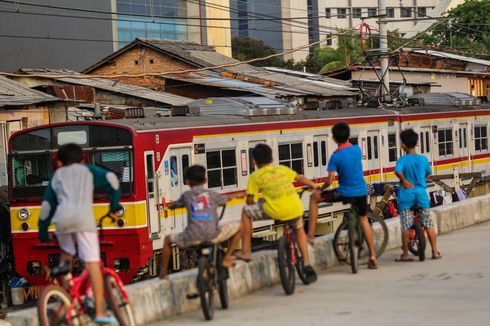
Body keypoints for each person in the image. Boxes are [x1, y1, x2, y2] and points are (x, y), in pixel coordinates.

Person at [38, 143, 122, 325]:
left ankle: (68, 300)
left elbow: (47, 206)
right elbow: (113, 181)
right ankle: (99, 312)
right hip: (84, 222)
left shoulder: (56, 176)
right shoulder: (88, 170)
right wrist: (114, 206)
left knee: (66, 258)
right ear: (83, 158)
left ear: (59, 162)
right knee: (92, 265)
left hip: (61, 223)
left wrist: (43, 231)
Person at [234, 143, 318, 283]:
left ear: (254, 161)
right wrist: (314, 185)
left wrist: (258, 201)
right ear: (272, 158)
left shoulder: (255, 176)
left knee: (246, 212)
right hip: (294, 207)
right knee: (298, 229)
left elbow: (249, 201)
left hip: (274, 210)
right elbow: (300, 178)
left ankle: (246, 251)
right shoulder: (281, 169)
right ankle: (306, 263)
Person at [309, 122, 378, 269]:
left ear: (334, 138)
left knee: (314, 199)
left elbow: (330, 181)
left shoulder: (335, 156)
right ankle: (372, 255)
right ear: (349, 135)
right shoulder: (357, 149)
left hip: (344, 193)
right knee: (363, 219)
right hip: (361, 191)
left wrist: (320, 189)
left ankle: (310, 235)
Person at [160, 165, 243, 279]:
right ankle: (228, 257)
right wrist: (239, 195)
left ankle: (163, 274)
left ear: (187, 182)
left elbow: (175, 205)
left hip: (191, 236)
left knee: (167, 240)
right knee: (240, 225)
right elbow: (227, 198)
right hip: (213, 234)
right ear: (205, 180)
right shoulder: (212, 195)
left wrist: (170, 207)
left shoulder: (186, 196)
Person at [395, 129, 441, 261]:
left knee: (406, 225)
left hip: (406, 195)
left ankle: (405, 254)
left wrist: (404, 180)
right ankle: (435, 252)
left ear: (403, 145)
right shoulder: (423, 159)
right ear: (416, 143)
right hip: (421, 194)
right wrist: (421, 178)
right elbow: (428, 174)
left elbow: (397, 171)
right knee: (428, 224)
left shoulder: (403, 159)